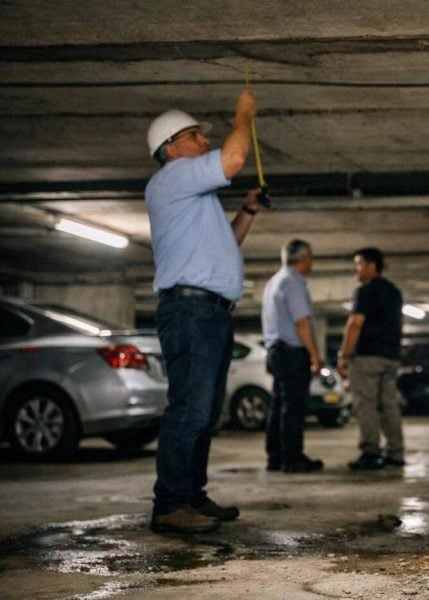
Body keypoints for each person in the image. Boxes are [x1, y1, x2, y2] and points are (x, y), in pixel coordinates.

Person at [145, 88, 264, 534]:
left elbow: (225, 244)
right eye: (194, 135)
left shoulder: (195, 197)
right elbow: (233, 159)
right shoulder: (171, 178)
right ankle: (170, 504)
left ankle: (190, 496)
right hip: (191, 312)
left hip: (208, 313)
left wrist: (248, 211)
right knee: (190, 409)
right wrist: (242, 117)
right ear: (170, 148)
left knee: (205, 410)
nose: (203, 142)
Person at [337, 247, 405, 470]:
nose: (355, 268)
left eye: (358, 263)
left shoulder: (365, 291)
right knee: (389, 405)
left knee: (365, 405)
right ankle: (396, 452)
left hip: (367, 357)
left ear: (371, 265)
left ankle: (371, 452)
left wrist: (344, 355)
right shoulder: (394, 292)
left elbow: (355, 323)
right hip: (391, 357)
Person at [261, 239, 325, 473]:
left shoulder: (274, 282)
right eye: (311, 257)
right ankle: (292, 459)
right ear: (304, 258)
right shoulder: (293, 283)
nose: (312, 261)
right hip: (292, 352)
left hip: (275, 351)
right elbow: (302, 322)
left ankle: (275, 457)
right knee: (294, 406)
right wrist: (315, 356)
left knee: (279, 404)